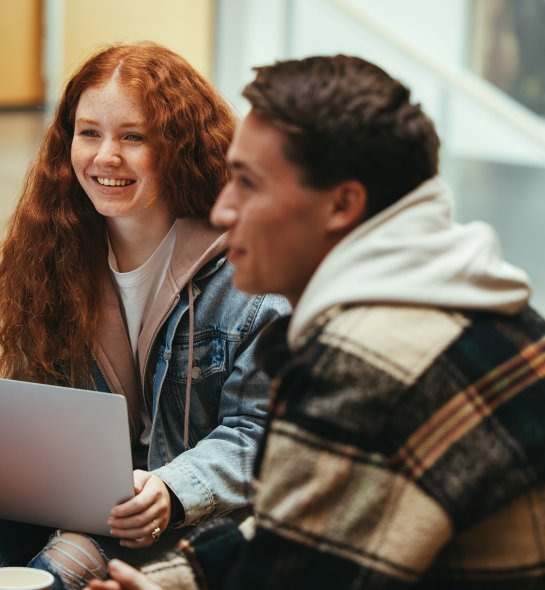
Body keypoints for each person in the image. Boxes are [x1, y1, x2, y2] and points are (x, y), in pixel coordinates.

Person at [91, 53, 545, 589]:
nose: (223, 210)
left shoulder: (364, 360)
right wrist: (179, 579)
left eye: (249, 183)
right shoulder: (461, 300)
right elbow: (298, 524)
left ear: (342, 204)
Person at [0, 42, 289, 589]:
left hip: (193, 514)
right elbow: (33, 407)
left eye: (133, 137)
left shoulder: (251, 273)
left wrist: (172, 490)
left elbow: (261, 434)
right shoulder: (53, 254)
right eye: (89, 133)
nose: (105, 156)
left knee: (58, 570)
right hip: (78, 499)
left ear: (183, 147)